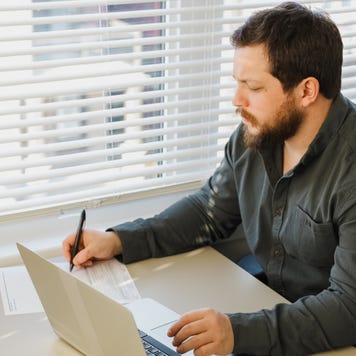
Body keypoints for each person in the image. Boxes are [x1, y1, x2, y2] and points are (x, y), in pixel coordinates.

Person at [63, 2, 356, 355]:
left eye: (253, 87)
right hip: (271, 309)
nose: (237, 100)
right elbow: (209, 211)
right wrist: (119, 241)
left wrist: (238, 332)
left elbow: (348, 309)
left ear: (306, 91)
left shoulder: (349, 168)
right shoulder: (257, 133)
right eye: (237, 82)